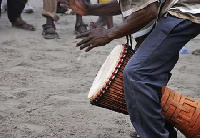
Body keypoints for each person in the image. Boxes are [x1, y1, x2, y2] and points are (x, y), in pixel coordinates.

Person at [63, 0, 200, 138]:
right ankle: (159, 129)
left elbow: (148, 10)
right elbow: (128, 3)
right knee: (146, 72)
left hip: (184, 10)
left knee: (137, 73)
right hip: (177, 10)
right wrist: (89, 9)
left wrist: (108, 34)